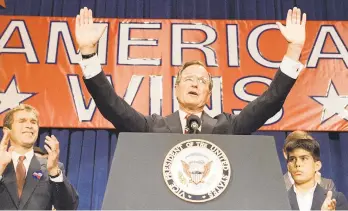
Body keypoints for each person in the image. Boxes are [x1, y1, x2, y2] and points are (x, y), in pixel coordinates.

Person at [75, 7, 306, 135]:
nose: (195, 84)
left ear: (209, 93)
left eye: (203, 81)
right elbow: (112, 106)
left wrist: (294, 50)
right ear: (176, 88)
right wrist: (88, 54)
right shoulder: (152, 128)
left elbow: (269, 102)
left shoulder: (227, 127)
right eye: (189, 79)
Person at [0, 104, 79, 210]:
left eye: (33, 122)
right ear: (7, 130)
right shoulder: (1, 164)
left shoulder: (51, 168)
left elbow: (68, 207)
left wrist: (54, 173)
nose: (29, 125)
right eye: (22, 121)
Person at [285, 138, 348, 210]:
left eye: (304, 158)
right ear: (288, 167)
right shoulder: (278, 199)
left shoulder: (336, 199)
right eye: (292, 159)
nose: (297, 164)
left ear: (317, 165)